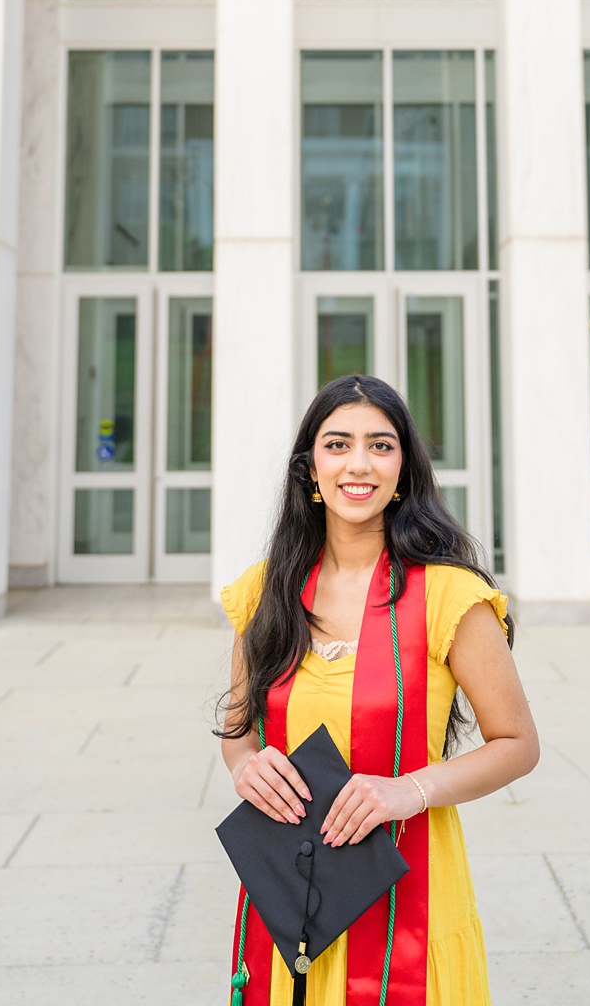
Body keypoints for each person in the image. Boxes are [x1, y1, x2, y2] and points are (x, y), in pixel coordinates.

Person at [218, 375, 541, 1004]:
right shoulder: (265, 592)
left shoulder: (450, 595)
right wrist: (244, 765)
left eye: (380, 445)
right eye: (337, 444)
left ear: (404, 468)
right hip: (291, 892)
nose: (358, 464)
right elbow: (240, 732)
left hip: (410, 890)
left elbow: (517, 743)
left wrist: (407, 791)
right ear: (310, 468)